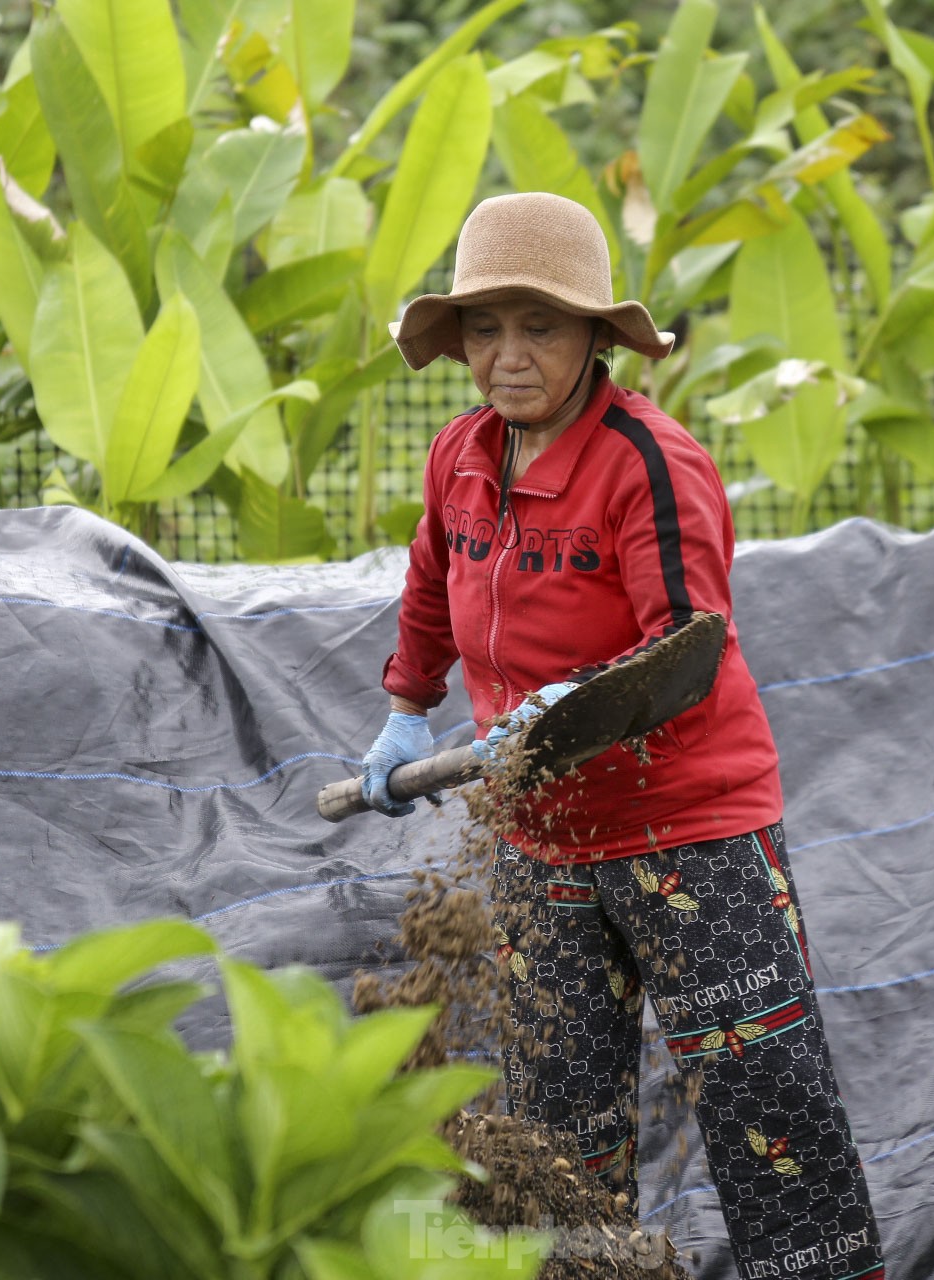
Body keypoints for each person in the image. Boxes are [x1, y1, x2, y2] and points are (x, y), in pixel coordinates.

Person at [361, 192, 885, 1280]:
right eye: (486, 327)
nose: (508, 356)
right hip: (538, 834)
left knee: (763, 1100)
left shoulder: (648, 460)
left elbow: (690, 642)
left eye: (540, 327)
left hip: (688, 832)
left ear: (596, 335)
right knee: (553, 1128)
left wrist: (576, 701)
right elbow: (431, 579)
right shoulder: (461, 454)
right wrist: (407, 703)